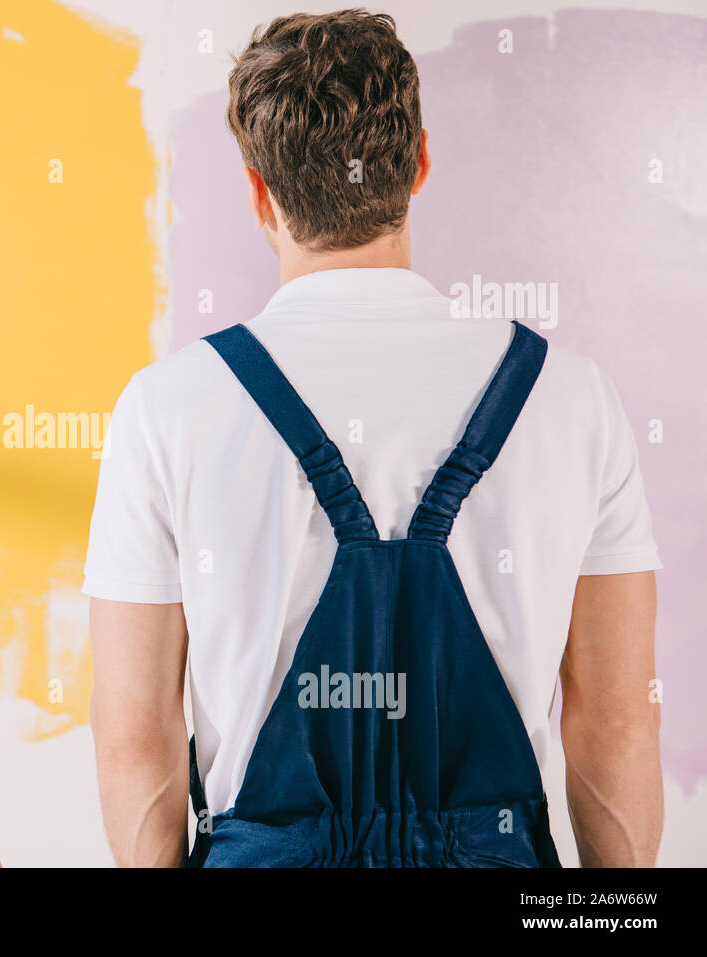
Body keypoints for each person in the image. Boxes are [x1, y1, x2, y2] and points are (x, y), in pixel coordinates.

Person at [84, 10, 662, 867]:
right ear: (419, 161)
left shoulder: (166, 408)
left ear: (259, 193)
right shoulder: (571, 398)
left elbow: (137, 731)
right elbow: (614, 719)